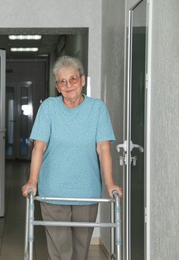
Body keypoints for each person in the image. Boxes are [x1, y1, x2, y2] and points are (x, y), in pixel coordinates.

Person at [21, 55, 123, 260]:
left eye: (73, 79)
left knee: (81, 250)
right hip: (53, 191)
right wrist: (33, 181)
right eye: (62, 81)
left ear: (83, 80)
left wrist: (110, 183)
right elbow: (38, 148)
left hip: (87, 191)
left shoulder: (97, 109)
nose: (69, 85)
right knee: (61, 252)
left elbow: (103, 149)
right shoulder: (49, 108)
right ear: (57, 87)